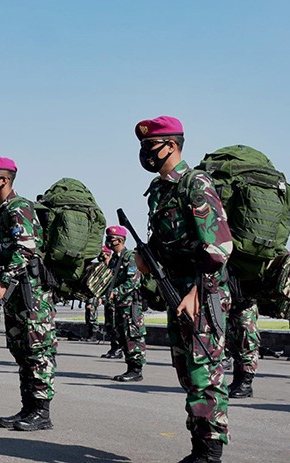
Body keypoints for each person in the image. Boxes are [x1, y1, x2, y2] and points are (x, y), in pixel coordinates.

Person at [135, 116, 231, 462]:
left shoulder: (195, 183)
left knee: (205, 375)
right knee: (188, 375)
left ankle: (210, 453)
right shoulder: (160, 191)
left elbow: (219, 247)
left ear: (171, 145)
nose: (145, 153)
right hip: (176, 295)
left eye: (150, 146)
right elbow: (166, 243)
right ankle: (198, 449)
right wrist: (146, 256)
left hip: (201, 295)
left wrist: (197, 292)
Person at [0, 156, 57, 432]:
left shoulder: (19, 206)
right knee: (21, 350)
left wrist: (3, 281)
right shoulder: (2, 211)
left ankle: (42, 411)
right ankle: (28, 407)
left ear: (6, 179)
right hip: (15, 291)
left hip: (29, 292)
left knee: (37, 349)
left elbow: (25, 248)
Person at [103, 226, 146, 382]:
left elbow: (133, 281)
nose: (108, 241)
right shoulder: (114, 259)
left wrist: (116, 292)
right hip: (119, 304)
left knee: (133, 334)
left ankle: (136, 369)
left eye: (111, 239)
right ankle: (130, 367)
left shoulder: (130, 257)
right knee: (122, 334)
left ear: (120, 240)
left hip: (131, 304)